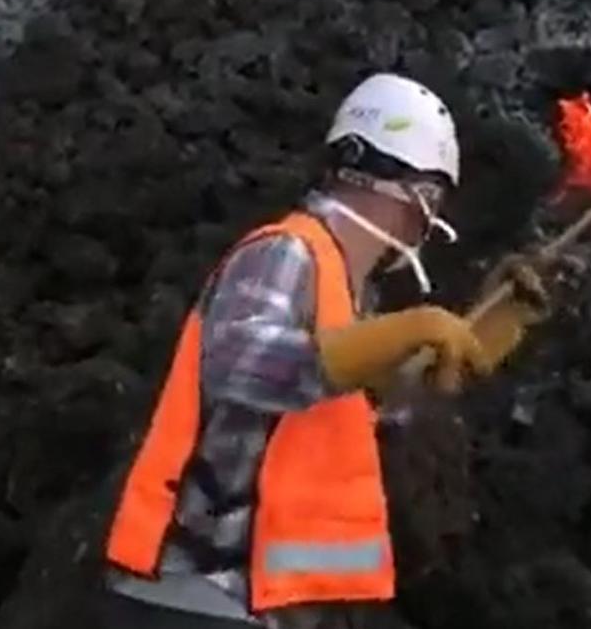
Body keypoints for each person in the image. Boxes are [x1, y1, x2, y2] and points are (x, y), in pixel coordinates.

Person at [98, 73, 551, 628]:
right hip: (196, 597)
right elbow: (241, 364)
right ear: (421, 197)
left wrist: (476, 342)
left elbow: (369, 416)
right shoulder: (288, 253)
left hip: (264, 607)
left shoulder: (349, 296)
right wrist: (400, 333)